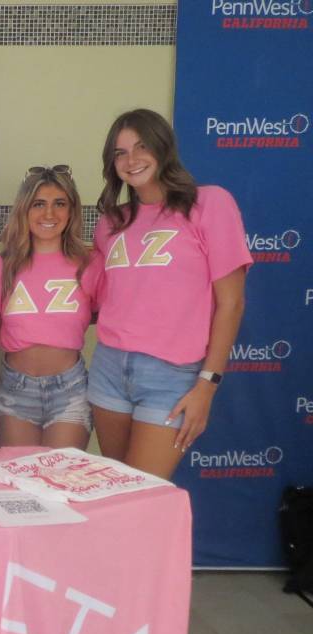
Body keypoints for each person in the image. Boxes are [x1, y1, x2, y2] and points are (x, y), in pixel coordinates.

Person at [88, 108, 249, 479]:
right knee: (115, 490)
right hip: (109, 367)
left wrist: (207, 385)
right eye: (120, 153)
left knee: (144, 495)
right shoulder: (112, 222)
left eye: (141, 146)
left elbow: (231, 303)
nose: (131, 159)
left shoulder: (209, 203)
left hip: (171, 375)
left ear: (163, 147)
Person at [0, 166, 101, 449]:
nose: (49, 214)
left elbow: (104, 313)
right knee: (18, 474)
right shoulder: (3, 266)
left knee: (62, 473)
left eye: (60, 204)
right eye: (38, 204)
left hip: (70, 389)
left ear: (72, 210)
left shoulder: (90, 263)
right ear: (24, 209)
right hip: (16, 389)